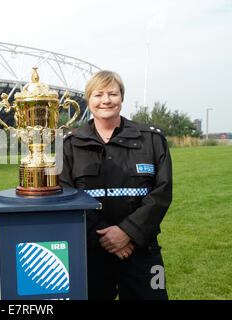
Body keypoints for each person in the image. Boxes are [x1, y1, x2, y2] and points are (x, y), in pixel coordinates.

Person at [59, 70, 172, 300]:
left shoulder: (151, 139)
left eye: (113, 93)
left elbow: (161, 193)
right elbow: (66, 195)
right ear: (89, 100)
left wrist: (127, 232)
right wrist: (105, 237)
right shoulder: (70, 144)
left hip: (143, 251)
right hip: (90, 253)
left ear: (122, 98)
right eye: (98, 94)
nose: (106, 100)